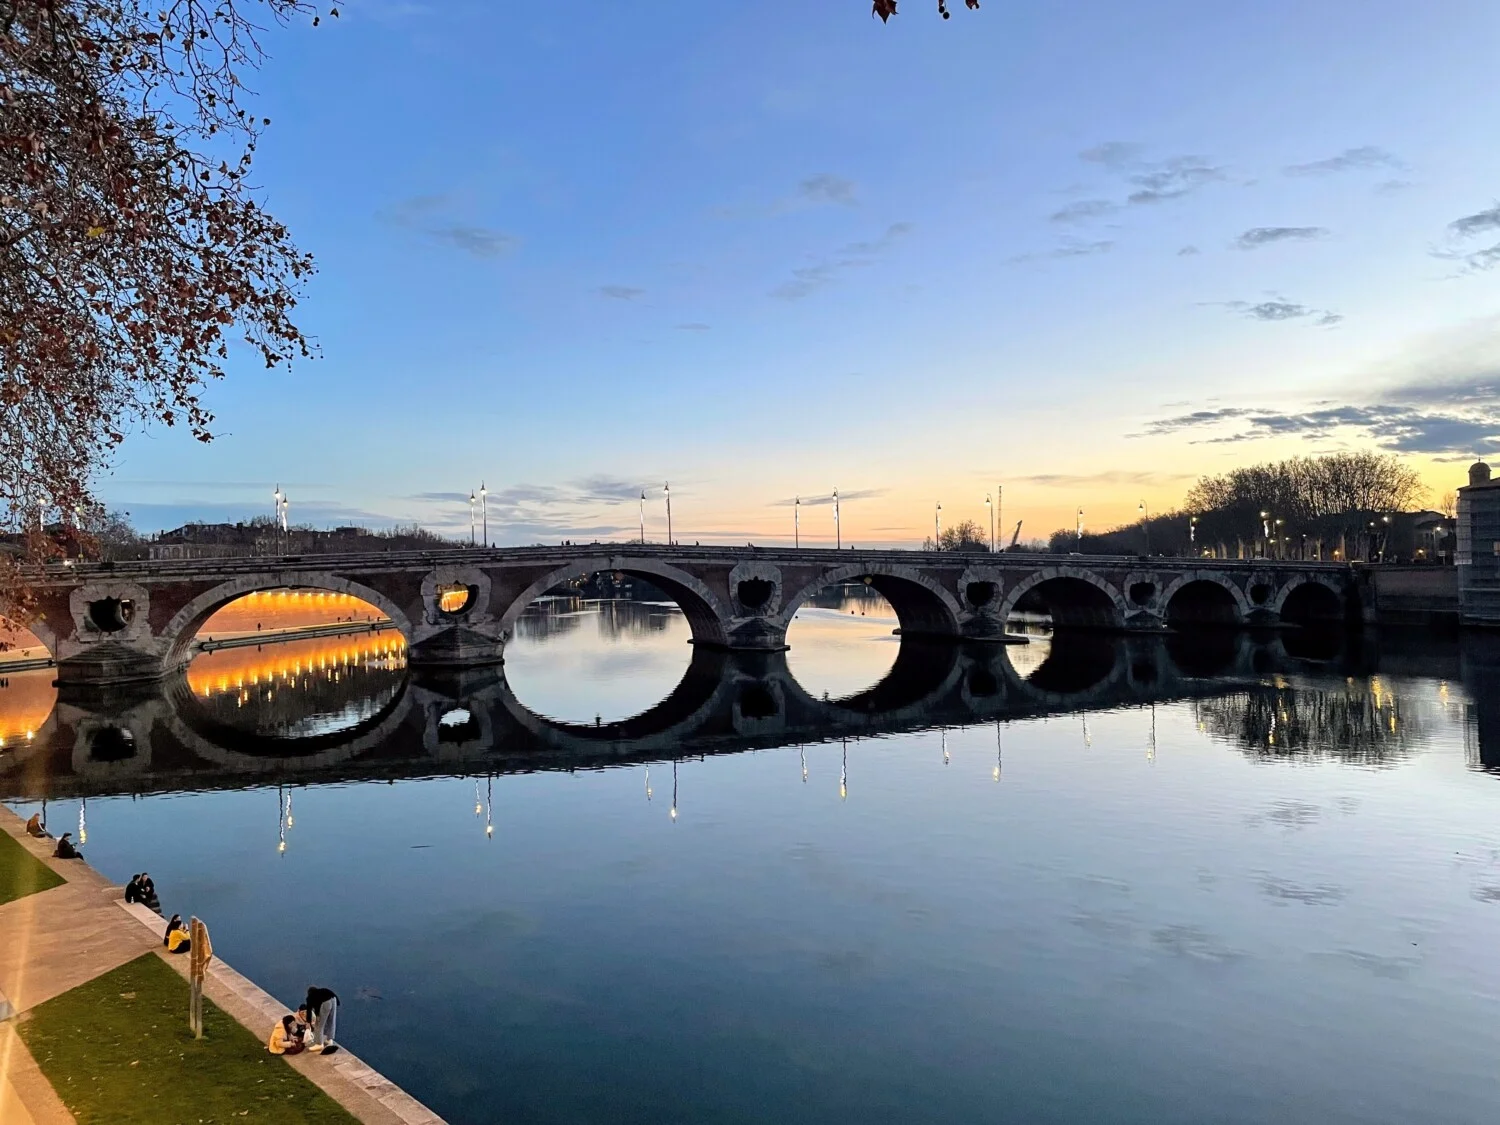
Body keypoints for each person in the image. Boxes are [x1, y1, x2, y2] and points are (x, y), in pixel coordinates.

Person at [301, 985, 339, 1053]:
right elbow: (334, 995)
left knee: (319, 1025)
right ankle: (329, 1040)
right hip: (334, 1000)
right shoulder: (324, 990)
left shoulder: (310, 997)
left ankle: (319, 1044)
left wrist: (308, 1022)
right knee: (331, 1021)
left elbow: (309, 1010)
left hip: (326, 1004)